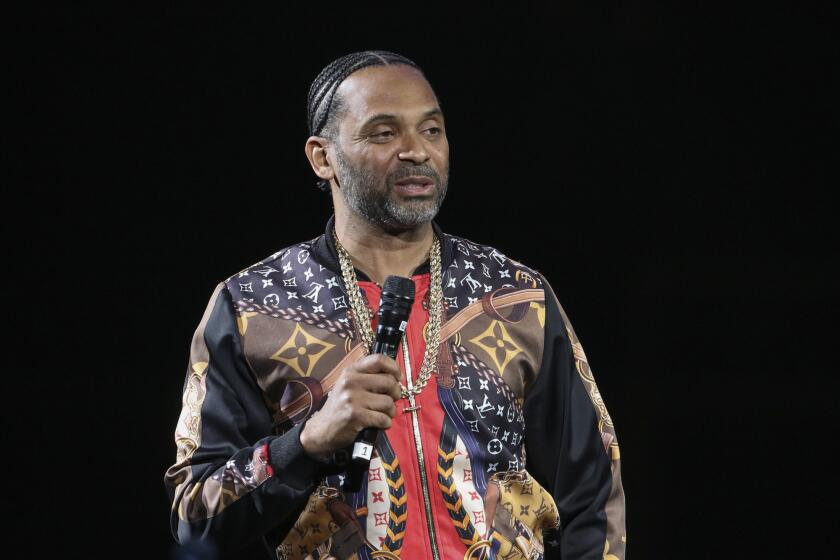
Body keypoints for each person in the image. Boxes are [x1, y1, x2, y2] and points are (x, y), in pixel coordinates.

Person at [165, 50, 626, 560]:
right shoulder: (252, 307)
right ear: (323, 157)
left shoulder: (514, 295)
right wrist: (307, 441)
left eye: (431, 130)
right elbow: (195, 515)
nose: (416, 151)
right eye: (384, 133)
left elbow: (593, 495)